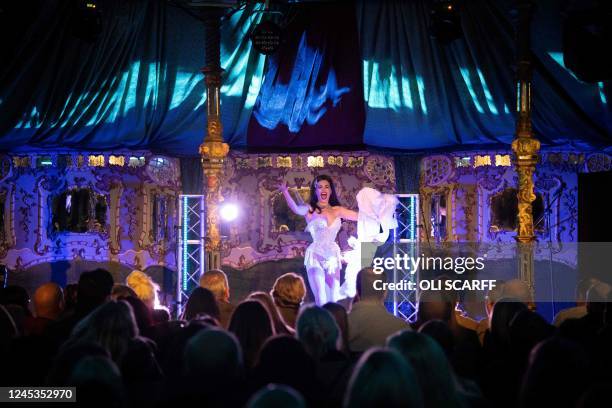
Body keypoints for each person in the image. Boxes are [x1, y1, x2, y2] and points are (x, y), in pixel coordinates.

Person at [279, 175, 357, 305]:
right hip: (315, 254)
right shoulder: (310, 209)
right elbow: (297, 209)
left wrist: (378, 213)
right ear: (316, 191)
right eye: (320, 187)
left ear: (331, 191)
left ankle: (333, 323)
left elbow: (358, 216)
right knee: (321, 297)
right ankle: (322, 323)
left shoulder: (337, 210)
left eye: (326, 186)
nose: (323, 189)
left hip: (332, 254)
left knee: (334, 298)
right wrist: (285, 191)